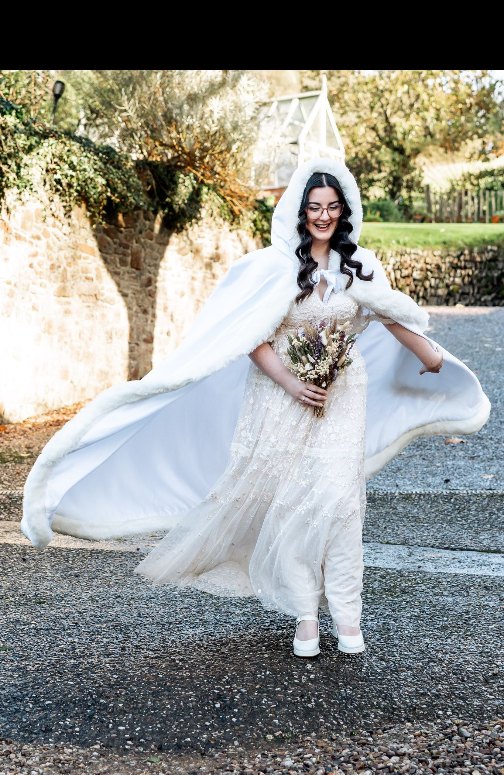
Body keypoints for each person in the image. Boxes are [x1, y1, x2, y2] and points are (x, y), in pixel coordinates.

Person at [21, 158, 490, 659]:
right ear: (301, 212)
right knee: (293, 502)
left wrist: (430, 355)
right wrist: (291, 383)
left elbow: (388, 311)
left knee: (340, 502)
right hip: (281, 395)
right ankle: (307, 615)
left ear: (344, 211)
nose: (323, 216)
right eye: (315, 208)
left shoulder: (361, 264)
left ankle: (348, 617)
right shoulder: (276, 268)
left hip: (341, 395)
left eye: (332, 208)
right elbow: (252, 338)